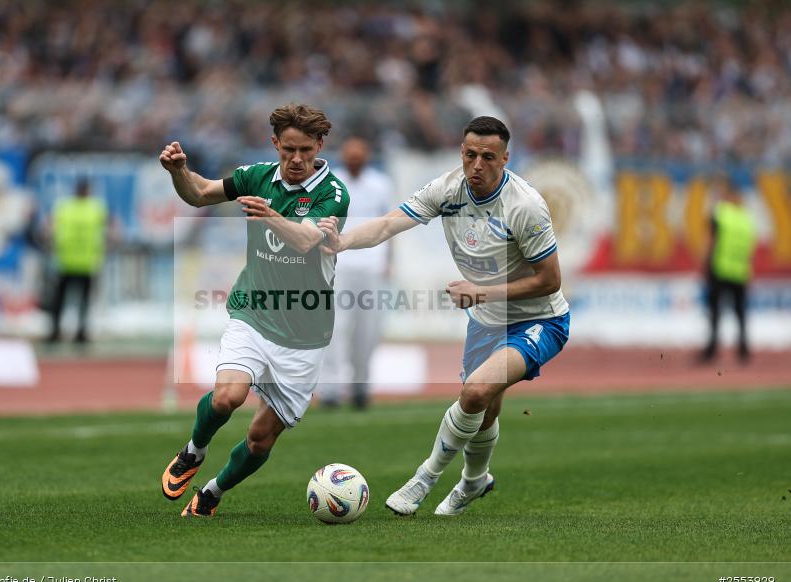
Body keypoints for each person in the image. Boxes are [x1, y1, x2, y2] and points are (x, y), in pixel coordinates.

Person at [319, 116, 569, 516]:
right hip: (487, 318)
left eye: (488, 157)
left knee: (473, 393)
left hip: (540, 320)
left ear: (506, 158)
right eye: (470, 155)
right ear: (461, 153)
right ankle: (474, 481)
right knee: (485, 407)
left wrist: (481, 291)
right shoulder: (447, 189)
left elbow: (551, 281)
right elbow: (387, 225)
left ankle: (424, 479)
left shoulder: (525, 206)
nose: (477, 165)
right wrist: (344, 241)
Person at [159, 104, 350, 518]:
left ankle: (212, 492)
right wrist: (178, 171)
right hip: (255, 312)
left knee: (261, 438)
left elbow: (305, 240)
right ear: (275, 144)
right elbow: (200, 193)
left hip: (305, 334)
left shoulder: (333, 193)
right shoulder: (256, 175)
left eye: (304, 150)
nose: (296, 160)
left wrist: (271, 215)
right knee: (228, 397)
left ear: (319, 146)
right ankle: (193, 452)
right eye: (287, 150)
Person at [318, 137, 394, 410]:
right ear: (343, 156)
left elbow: (388, 224)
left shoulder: (380, 183)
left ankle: (361, 387)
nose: (354, 160)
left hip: (372, 265)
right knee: (334, 329)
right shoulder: (330, 181)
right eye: (350, 155)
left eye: (359, 155)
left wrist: (389, 259)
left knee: (368, 330)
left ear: (367, 156)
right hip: (337, 265)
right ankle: (329, 390)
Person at [699, 174, 756, 363]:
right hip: (740, 271)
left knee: (715, 312)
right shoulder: (746, 219)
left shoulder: (721, 213)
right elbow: (749, 248)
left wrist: (704, 262)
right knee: (740, 313)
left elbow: (710, 240)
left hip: (721, 269)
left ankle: (711, 350)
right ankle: (743, 350)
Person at [46, 178, 108, 344]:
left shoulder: (64, 207)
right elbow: (111, 230)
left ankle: (56, 332)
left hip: (66, 261)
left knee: (61, 300)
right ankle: (80, 333)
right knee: (82, 301)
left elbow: (49, 229)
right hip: (85, 262)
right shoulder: (96, 208)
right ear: (87, 191)